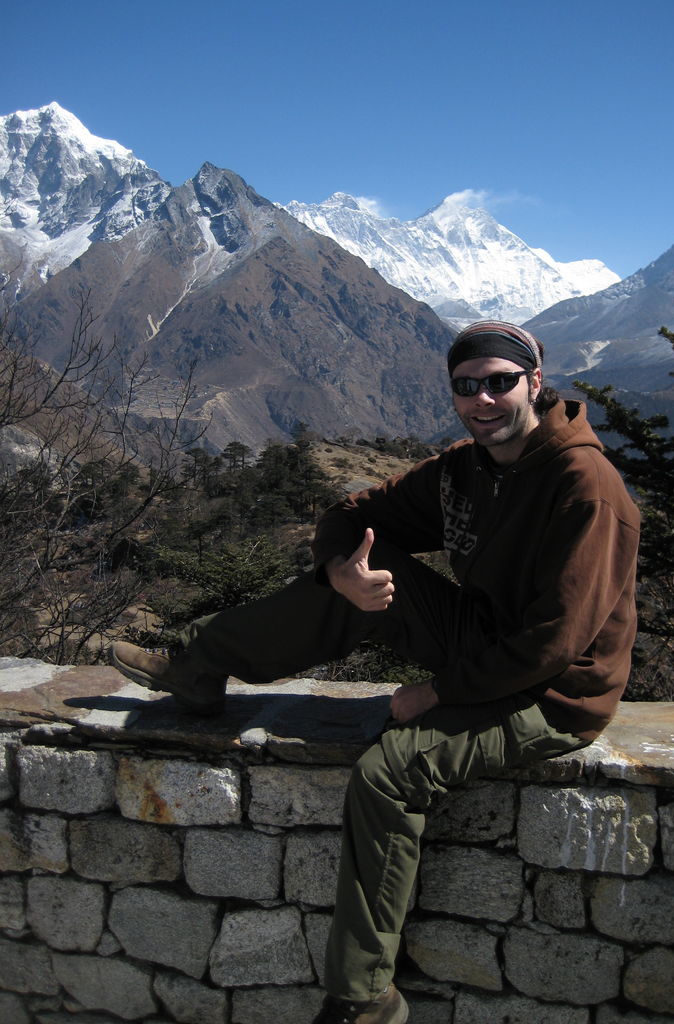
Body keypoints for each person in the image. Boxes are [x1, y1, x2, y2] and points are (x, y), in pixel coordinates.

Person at [112, 320, 640, 1024]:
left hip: (555, 692)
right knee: (366, 570)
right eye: (466, 386)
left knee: (390, 774)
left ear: (536, 383)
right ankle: (199, 667)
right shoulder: (467, 470)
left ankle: (364, 998)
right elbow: (350, 514)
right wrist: (344, 574)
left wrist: (435, 693)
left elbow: (552, 643)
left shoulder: (585, 488)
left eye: (500, 382)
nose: (483, 399)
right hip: (483, 642)